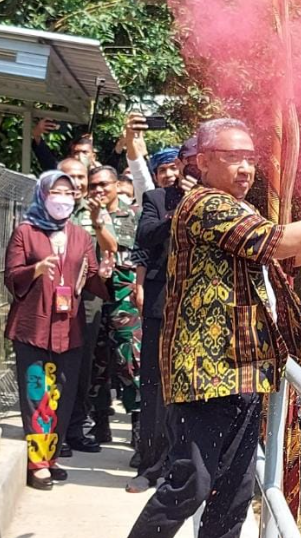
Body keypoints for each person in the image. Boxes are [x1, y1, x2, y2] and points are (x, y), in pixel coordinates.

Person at [126, 118, 301, 538]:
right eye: (233, 158)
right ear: (203, 162)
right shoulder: (205, 205)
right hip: (206, 374)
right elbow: (277, 242)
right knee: (191, 486)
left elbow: (287, 256)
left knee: (234, 493)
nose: (245, 168)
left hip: (244, 368)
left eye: (249, 158)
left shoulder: (242, 210)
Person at [3, 171, 114, 490]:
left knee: (61, 396)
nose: (63, 198)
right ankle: (37, 465)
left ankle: (50, 457)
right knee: (38, 394)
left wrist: (103, 275)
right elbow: (11, 277)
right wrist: (35, 269)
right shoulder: (26, 232)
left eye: (68, 193)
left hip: (70, 329)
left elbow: (90, 278)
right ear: (43, 194)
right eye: (56, 191)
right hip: (34, 326)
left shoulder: (80, 235)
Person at [125, 140, 194, 493]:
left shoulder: (219, 201)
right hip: (159, 304)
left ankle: (179, 465)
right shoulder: (156, 200)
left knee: (187, 390)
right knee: (153, 385)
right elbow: (146, 236)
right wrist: (177, 213)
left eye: (177, 167)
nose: (175, 173)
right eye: (165, 169)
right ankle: (150, 465)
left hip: (198, 309)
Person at [58, 156, 113, 455]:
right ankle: (54, 430)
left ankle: (75, 429)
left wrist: (97, 223)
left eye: (82, 177)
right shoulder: (45, 210)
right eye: (70, 177)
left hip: (86, 298)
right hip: (51, 296)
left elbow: (111, 246)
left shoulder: (95, 211)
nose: (77, 183)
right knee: (54, 364)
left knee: (82, 365)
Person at [84, 165, 142, 446]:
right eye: (93, 185)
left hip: (123, 299)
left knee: (128, 362)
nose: (98, 190)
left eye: (103, 184)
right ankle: (100, 425)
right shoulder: (79, 215)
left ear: (117, 185)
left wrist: (97, 222)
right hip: (95, 297)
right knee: (97, 363)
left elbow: (115, 247)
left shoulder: (129, 214)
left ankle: (138, 432)